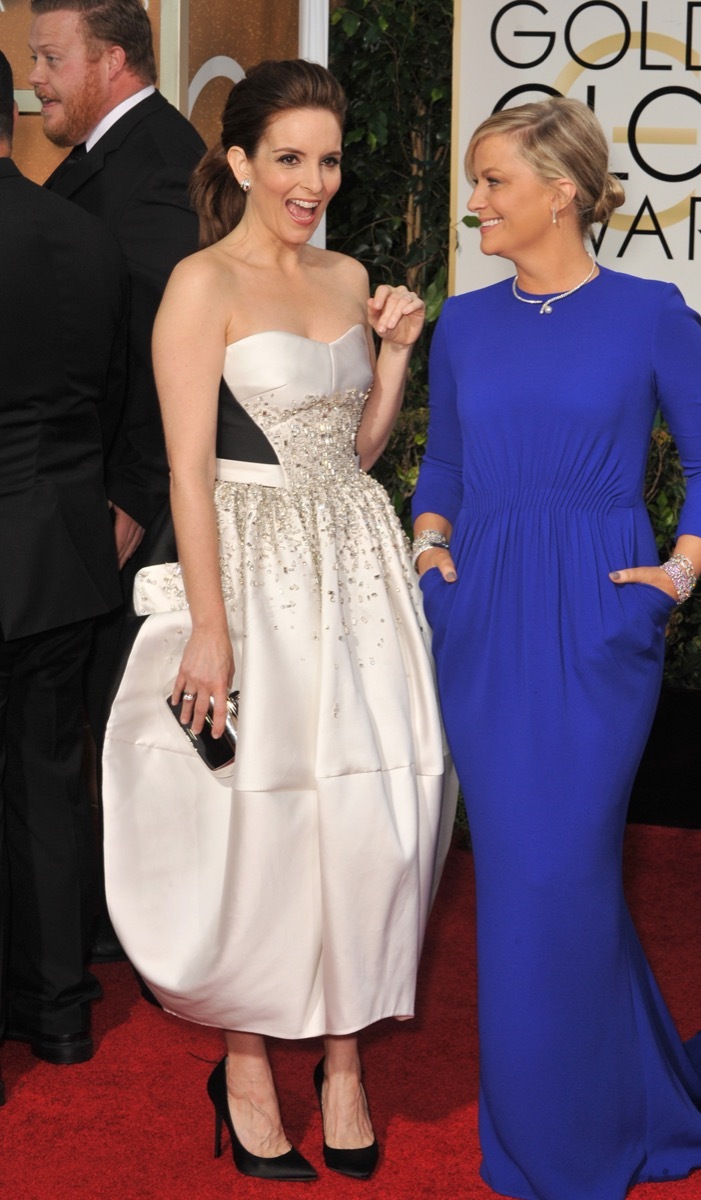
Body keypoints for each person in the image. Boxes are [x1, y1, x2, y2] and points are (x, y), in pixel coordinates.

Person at [412, 98, 701, 1200]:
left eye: (492, 182)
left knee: (557, 870)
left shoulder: (647, 314)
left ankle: (562, 1153)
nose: (474, 200)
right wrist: (431, 545)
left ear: (560, 193)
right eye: (475, 182)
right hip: (482, 614)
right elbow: (443, 464)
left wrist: (673, 575)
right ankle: (578, 1110)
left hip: (594, 618)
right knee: (528, 882)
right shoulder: (466, 324)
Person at [100, 59, 456, 1181]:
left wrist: (393, 359)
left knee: (364, 815)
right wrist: (210, 627)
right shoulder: (198, 287)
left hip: (352, 566)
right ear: (243, 162)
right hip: (248, 573)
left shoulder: (350, 275)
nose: (314, 182)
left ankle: (343, 1060)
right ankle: (247, 1062)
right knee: (255, 819)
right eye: (290, 159)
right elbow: (189, 478)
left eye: (330, 160)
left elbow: (348, 454)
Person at [28, 0, 206, 961]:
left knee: (110, 728)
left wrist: (134, 493)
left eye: (50, 58)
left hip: (125, 506)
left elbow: (159, 352)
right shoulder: (114, 155)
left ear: (111, 58)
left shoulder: (156, 169)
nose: (36, 79)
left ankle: (105, 938)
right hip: (84, 494)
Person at [0, 47, 127, 1067]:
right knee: (47, 775)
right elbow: (109, 396)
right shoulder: (84, 236)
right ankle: (57, 1010)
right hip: (61, 551)